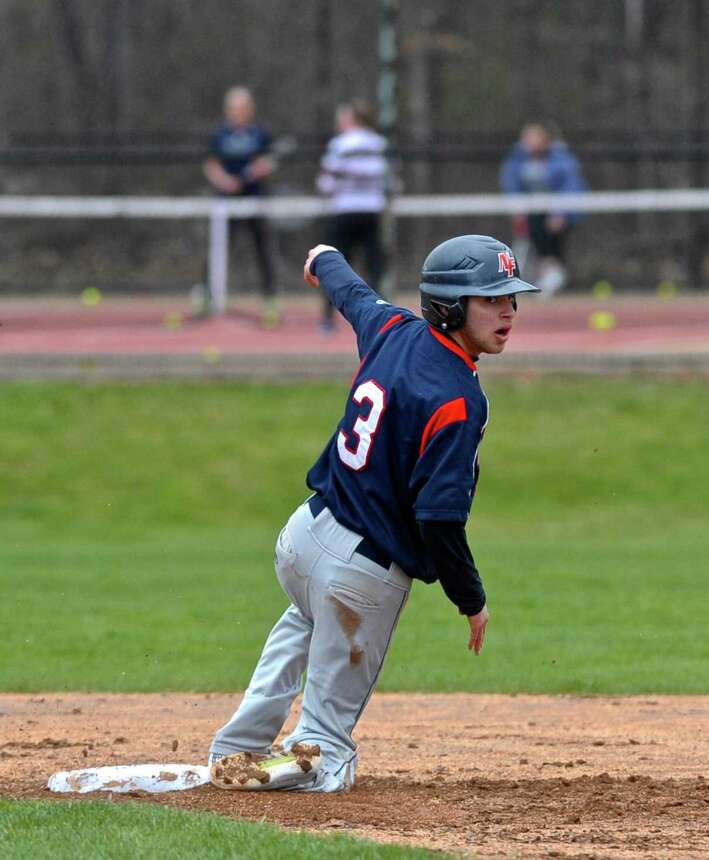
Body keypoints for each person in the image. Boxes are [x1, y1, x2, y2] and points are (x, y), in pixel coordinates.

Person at [208, 234, 539, 792]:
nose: (508, 311)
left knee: (301, 626)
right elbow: (439, 518)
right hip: (360, 574)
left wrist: (321, 258)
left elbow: (353, 294)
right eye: (490, 299)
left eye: (511, 298)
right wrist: (471, 599)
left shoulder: (393, 329)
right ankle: (290, 773)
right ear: (450, 306)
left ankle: (237, 746)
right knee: (329, 748)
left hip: (304, 536)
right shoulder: (458, 399)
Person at [201, 85, 280, 327]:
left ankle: (270, 299)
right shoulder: (219, 134)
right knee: (218, 249)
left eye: (243, 108)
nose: (238, 112)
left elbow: (269, 162)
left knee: (262, 249)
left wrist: (257, 171)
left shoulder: (260, 133)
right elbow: (211, 164)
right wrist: (225, 181)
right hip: (226, 203)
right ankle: (206, 296)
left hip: (254, 200)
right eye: (234, 108)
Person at [315, 99, 391, 334]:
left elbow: (325, 183)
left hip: (344, 212)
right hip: (371, 212)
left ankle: (328, 319)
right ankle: (385, 320)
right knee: (374, 267)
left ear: (351, 119)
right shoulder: (381, 144)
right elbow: (391, 180)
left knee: (333, 265)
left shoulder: (340, 144)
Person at [499, 121, 587, 296]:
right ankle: (548, 270)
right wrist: (516, 207)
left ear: (545, 139)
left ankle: (551, 269)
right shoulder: (517, 159)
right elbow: (510, 184)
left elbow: (572, 186)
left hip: (560, 213)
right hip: (531, 213)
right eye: (527, 138)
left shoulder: (562, 159)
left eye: (535, 137)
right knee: (535, 226)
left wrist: (560, 212)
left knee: (551, 229)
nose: (530, 142)